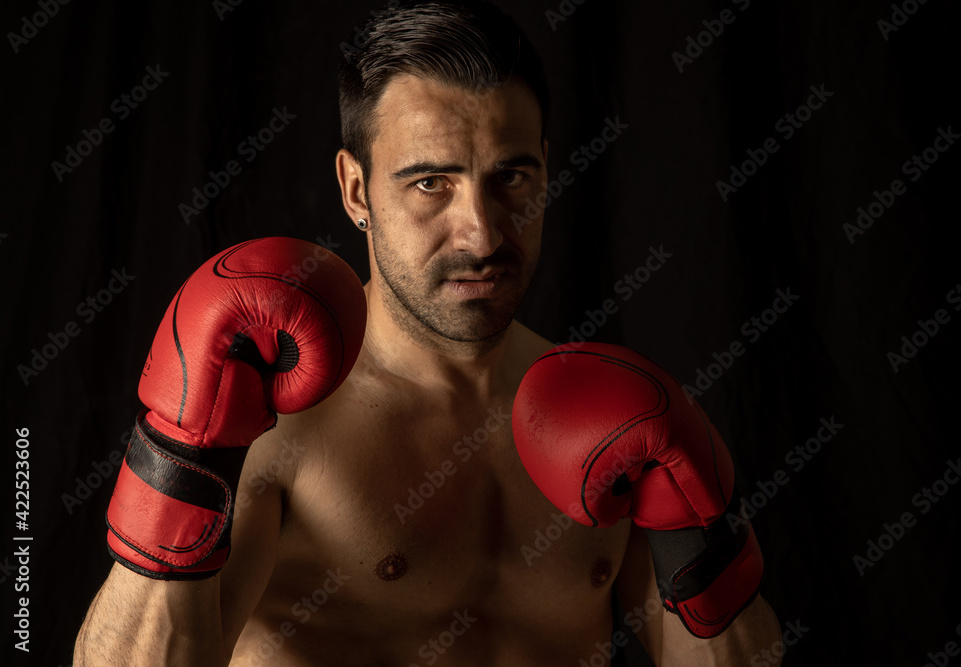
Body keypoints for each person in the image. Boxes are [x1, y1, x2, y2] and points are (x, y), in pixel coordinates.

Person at [74, 1, 781, 664]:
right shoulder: (270, 426)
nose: (481, 233)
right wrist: (182, 454)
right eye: (430, 183)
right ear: (356, 190)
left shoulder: (620, 426)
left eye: (511, 177)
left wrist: (703, 538)